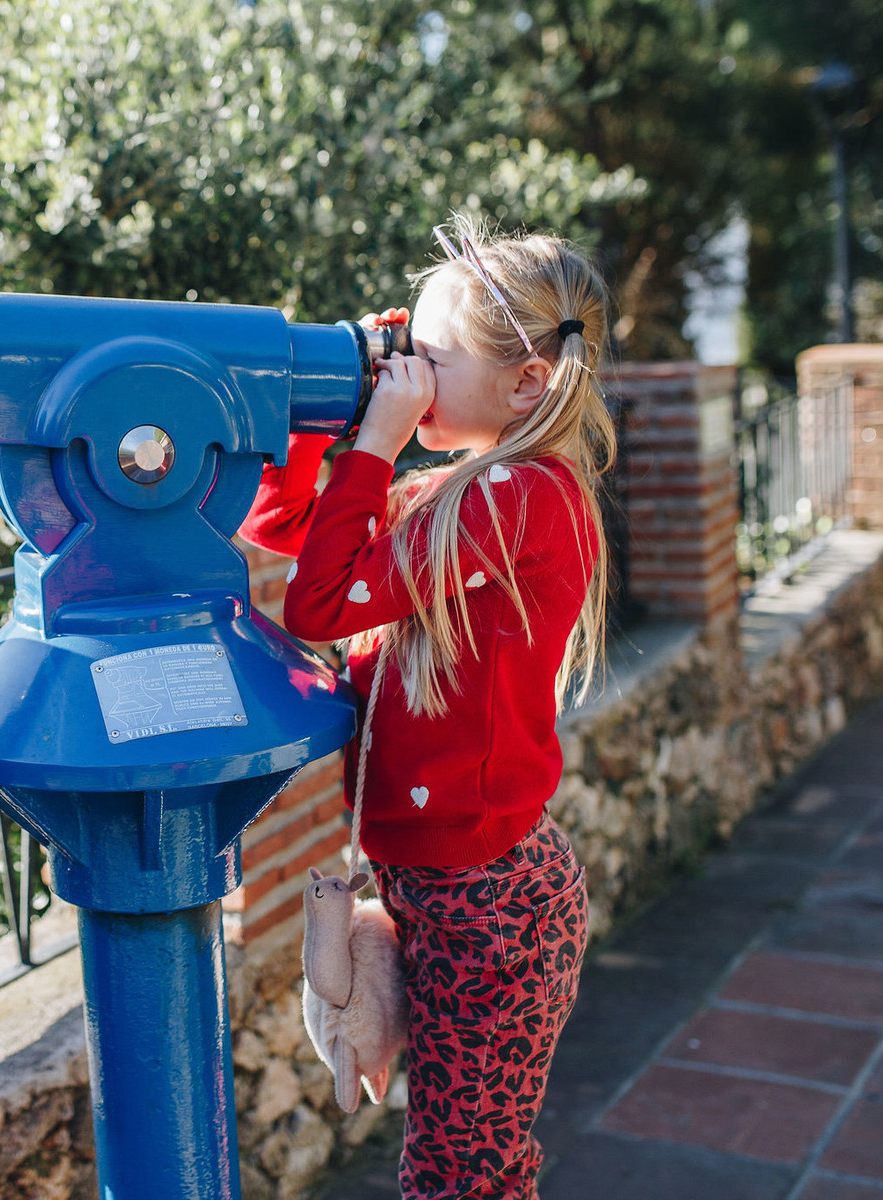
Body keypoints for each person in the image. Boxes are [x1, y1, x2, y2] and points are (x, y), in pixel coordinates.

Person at [242, 216, 613, 1200]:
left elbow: (320, 601)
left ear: (526, 382)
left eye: (431, 358)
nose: (410, 372)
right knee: (459, 1166)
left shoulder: (521, 499)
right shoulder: (455, 492)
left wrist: (374, 439)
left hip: (489, 906)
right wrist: (337, 399)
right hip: (450, 891)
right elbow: (283, 527)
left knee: (461, 1174)